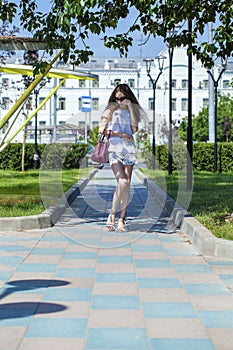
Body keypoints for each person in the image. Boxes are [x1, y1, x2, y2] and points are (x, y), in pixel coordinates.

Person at [99, 83, 147, 232]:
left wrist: (131, 107)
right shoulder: (110, 110)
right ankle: (113, 213)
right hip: (114, 149)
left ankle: (122, 218)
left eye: (123, 98)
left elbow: (134, 129)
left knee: (125, 184)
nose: (119, 101)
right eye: (117, 98)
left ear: (128, 98)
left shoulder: (132, 110)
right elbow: (102, 130)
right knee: (122, 181)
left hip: (129, 150)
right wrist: (120, 135)